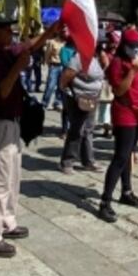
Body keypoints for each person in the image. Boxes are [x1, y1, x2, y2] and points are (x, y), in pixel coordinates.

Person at [0, 12, 58, 258]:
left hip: (12, 123)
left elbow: (29, 46)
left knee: (11, 178)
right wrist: (18, 69)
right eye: (4, 28)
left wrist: (50, 32)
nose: (10, 32)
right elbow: (1, 92)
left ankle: (6, 221)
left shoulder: (3, 52)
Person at [98, 28, 138, 223]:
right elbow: (119, 90)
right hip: (124, 113)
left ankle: (126, 191)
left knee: (130, 154)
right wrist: (133, 71)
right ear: (125, 47)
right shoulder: (117, 64)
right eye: (133, 47)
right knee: (120, 157)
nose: (137, 50)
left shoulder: (137, 59)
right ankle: (105, 202)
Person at [59, 37, 104, 174]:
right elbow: (66, 76)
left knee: (88, 130)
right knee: (77, 130)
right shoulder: (78, 58)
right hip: (78, 99)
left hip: (92, 99)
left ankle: (88, 161)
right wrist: (68, 91)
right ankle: (67, 162)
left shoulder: (94, 58)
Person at [42, 28, 67, 136]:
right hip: (54, 66)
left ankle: (58, 102)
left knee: (61, 87)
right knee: (50, 85)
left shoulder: (66, 43)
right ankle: (45, 102)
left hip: (63, 66)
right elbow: (47, 54)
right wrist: (47, 63)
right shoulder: (52, 42)